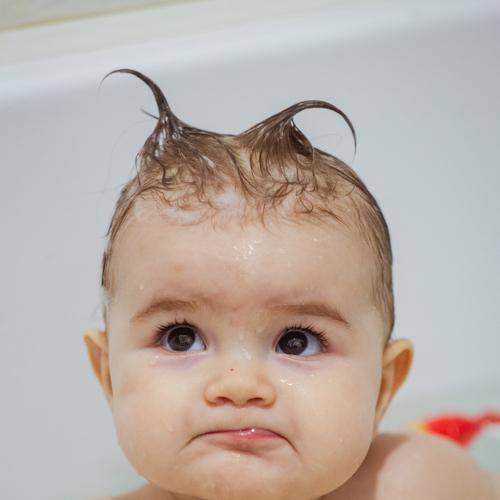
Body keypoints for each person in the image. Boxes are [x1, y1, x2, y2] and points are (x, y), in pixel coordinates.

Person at [84, 69, 500, 500]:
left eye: (297, 342)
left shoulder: (416, 483)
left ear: (382, 387)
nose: (239, 386)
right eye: (180, 338)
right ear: (109, 376)